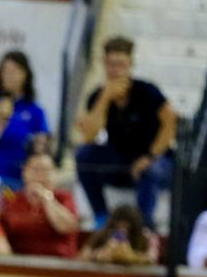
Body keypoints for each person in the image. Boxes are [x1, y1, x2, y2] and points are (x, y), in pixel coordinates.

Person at [74, 35, 176, 226]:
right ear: (104, 64)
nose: (116, 70)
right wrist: (105, 98)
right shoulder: (98, 95)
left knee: (150, 170)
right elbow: (89, 136)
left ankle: (142, 226)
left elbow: (171, 124)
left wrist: (150, 155)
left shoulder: (147, 91)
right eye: (111, 64)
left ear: (130, 65)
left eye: (121, 65)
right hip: (120, 160)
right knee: (83, 155)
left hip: (156, 159)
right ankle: (101, 217)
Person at [0, 50, 49, 197]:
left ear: (25, 75)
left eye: (14, 71)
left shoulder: (35, 111)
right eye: (5, 71)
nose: (9, 76)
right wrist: (0, 123)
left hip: (20, 179)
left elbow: (41, 147)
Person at [0, 151, 79, 258]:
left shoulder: (64, 197)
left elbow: (65, 226)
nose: (40, 175)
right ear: (24, 171)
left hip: (58, 262)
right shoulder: (11, 199)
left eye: (45, 170)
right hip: (19, 262)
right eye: (35, 169)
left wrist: (46, 197)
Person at [77, 203, 158, 266]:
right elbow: (81, 257)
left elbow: (152, 260)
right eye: (118, 231)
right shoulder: (102, 233)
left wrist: (132, 257)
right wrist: (96, 255)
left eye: (127, 230)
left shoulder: (147, 236)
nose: (122, 234)